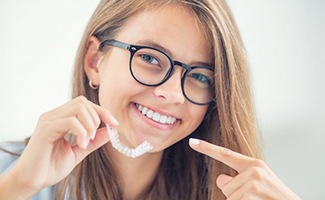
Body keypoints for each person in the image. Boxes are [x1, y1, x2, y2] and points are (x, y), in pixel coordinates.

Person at [0, 0, 301, 199]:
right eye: (149, 58)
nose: (171, 93)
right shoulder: (11, 174)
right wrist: (18, 185)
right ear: (94, 61)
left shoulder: (237, 193)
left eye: (200, 77)